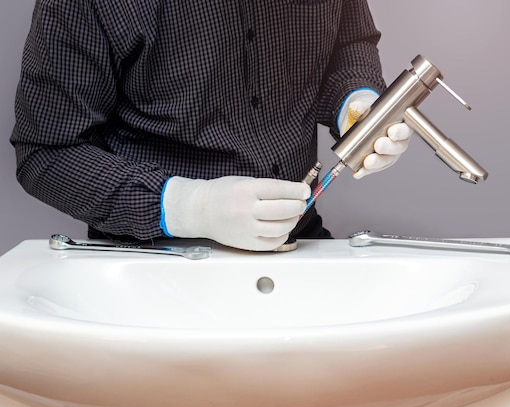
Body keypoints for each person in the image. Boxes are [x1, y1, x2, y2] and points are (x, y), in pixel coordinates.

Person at [11, 0, 410, 251]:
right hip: (153, 262)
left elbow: (349, 41)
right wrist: (192, 207)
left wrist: (355, 102)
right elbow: (47, 150)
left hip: (299, 243)